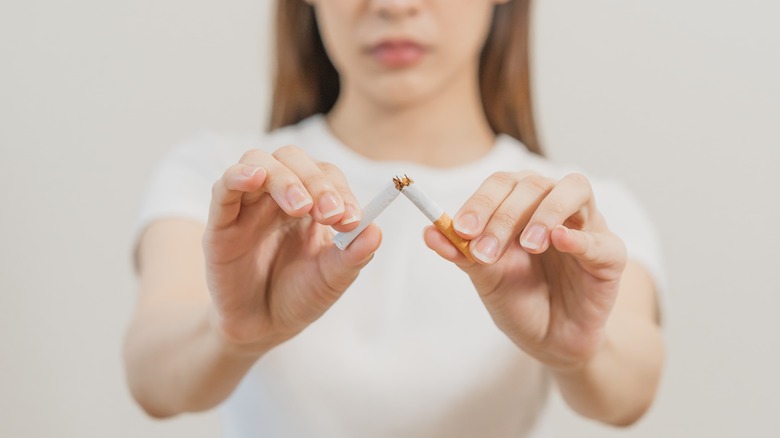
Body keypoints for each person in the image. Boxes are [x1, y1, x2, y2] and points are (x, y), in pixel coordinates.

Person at [124, 0, 665, 436]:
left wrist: (579, 353)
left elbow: (631, 392)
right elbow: (152, 377)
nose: (393, 6)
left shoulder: (575, 213)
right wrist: (232, 336)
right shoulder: (231, 183)